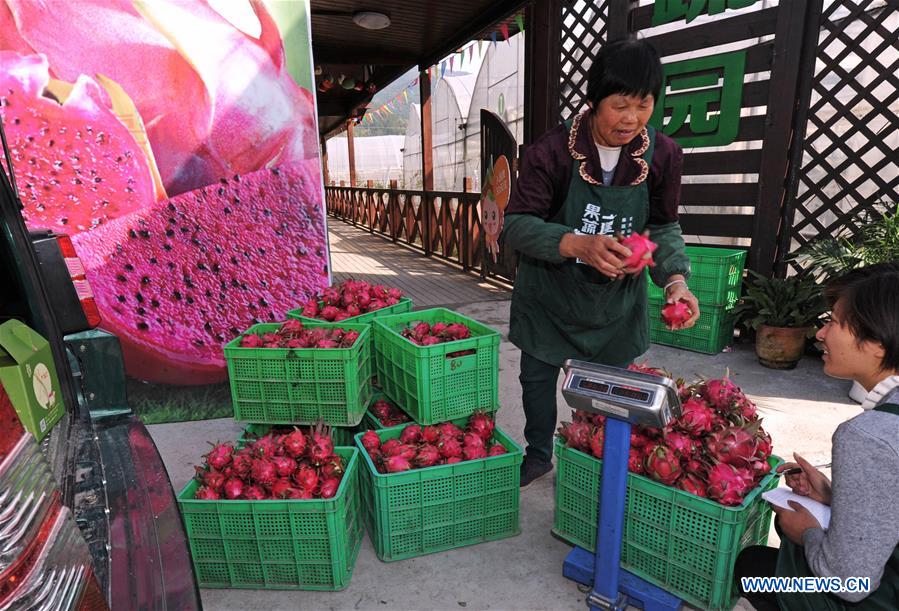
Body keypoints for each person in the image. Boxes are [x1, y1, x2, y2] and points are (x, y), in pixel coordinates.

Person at [500, 36, 700, 487]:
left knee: (610, 394)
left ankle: (589, 456)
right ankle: (537, 453)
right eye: (620, 105)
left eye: (644, 105)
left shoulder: (663, 155)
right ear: (592, 102)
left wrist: (674, 280)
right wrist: (578, 243)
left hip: (616, 303)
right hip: (549, 294)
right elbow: (516, 226)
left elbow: (664, 226)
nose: (632, 119)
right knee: (537, 379)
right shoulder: (551, 152)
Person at [735, 262, 899, 610]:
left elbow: (848, 582)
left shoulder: (868, 436)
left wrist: (806, 532)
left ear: (878, 344)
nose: (820, 334)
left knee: (754, 567)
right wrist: (833, 496)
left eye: (835, 322)